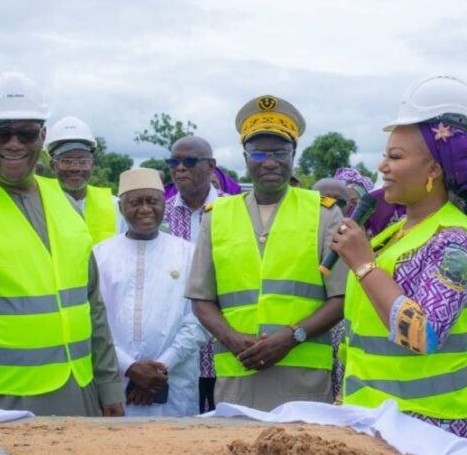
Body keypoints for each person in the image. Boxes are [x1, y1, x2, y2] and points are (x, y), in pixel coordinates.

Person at [186, 95, 347, 411]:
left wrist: (292, 337)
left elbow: (340, 299)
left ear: (293, 155)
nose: (270, 161)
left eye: (280, 152)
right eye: (259, 152)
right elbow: (201, 299)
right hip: (238, 376)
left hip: (304, 381)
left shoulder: (324, 214)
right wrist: (231, 339)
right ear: (246, 158)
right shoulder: (215, 215)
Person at [332, 75, 467, 437]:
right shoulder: (392, 235)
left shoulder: (455, 240)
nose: (382, 167)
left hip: (428, 428)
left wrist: (362, 265)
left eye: (395, 157)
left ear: (433, 171)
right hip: (373, 420)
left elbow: (425, 335)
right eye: (384, 155)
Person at [0, 72, 124, 416]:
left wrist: (108, 387)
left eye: (27, 133)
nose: (13, 144)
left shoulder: (62, 200)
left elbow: (92, 304)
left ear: (42, 136)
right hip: (3, 400)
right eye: (0, 133)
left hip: (81, 390)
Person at [94, 168, 207, 416]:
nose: (145, 209)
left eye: (152, 201)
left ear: (163, 205)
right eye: (135, 202)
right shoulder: (100, 255)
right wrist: (129, 367)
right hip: (116, 382)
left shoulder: (188, 253)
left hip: (173, 383)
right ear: (122, 207)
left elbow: (199, 318)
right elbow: (92, 321)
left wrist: (161, 368)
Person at [162, 135, 224, 413]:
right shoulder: (159, 214)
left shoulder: (235, 211)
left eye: (189, 161)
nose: (180, 168)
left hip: (226, 343)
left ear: (211, 166)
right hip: (174, 350)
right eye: (174, 162)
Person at [47, 116, 127, 244]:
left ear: (92, 165)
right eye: (67, 161)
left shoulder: (115, 206)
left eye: (83, 161)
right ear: (52, 165)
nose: (75, 168)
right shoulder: (39, 205)